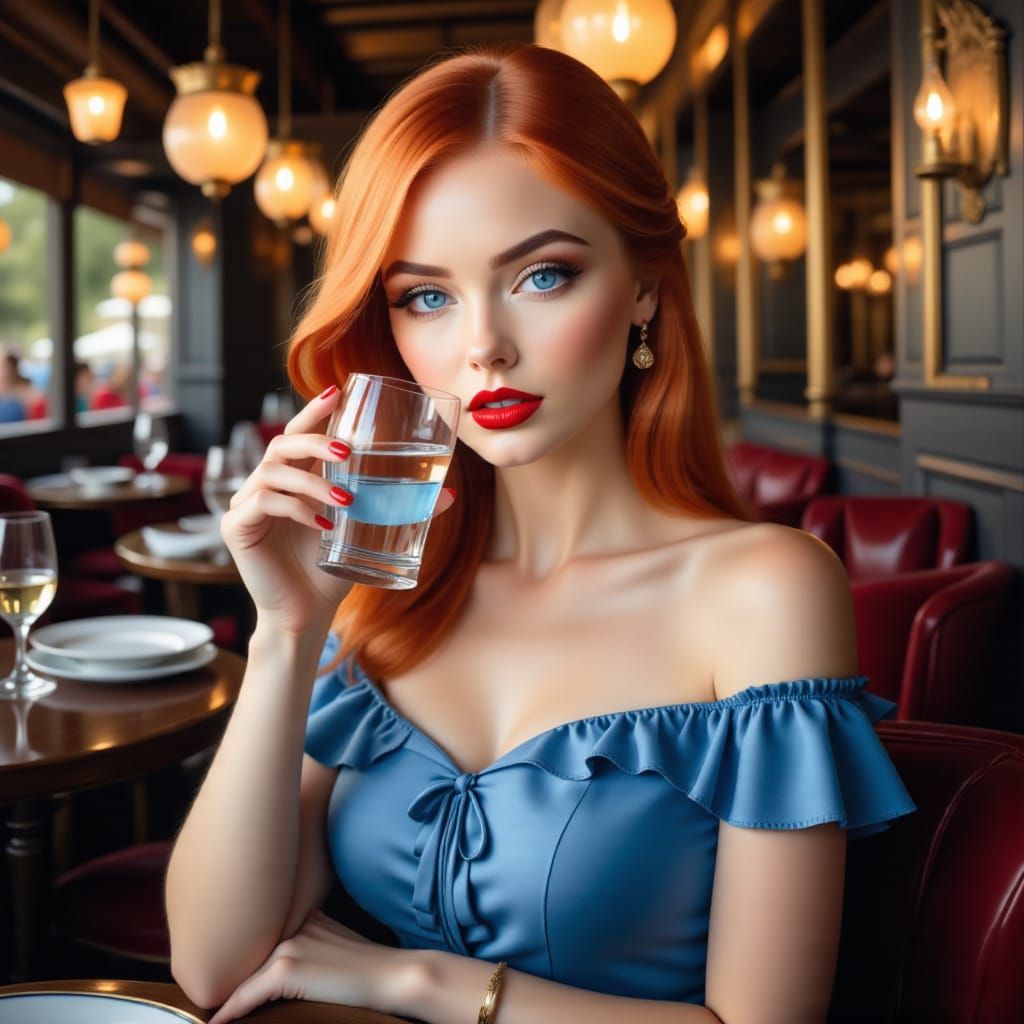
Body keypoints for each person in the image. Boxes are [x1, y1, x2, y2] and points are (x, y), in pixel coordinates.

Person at [166, 44, 916, 1024]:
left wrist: (420, 980)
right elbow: (213, 966)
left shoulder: (763, 590)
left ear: (644, 285)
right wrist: (285, 633)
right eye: (425, 296)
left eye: (542, 275)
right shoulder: (393, 583)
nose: (482, 347)